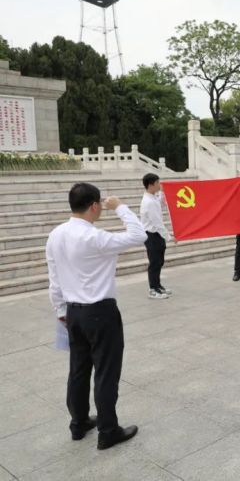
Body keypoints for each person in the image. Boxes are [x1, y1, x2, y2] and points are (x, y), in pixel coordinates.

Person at [45, 183, 146, 450]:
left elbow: (54, 279)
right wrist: (120, 207)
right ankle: (108, 431)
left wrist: (60, 311)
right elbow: (139, 235)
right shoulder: (95, 238)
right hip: (100, 312)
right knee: (106, 372)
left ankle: (78, 423)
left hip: (73, 312)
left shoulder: (56, 235)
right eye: (100, 204)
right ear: (93, 206)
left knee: (78, 370)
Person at [140, 173, 171, 299]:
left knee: (159, 261)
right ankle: (153, 289)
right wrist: (169, 237)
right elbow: (157, 223)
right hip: (152, 235)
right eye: (157, 183)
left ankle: (158, 285)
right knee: (154, 262)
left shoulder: (152, 198)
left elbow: (161, 204)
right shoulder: (149, 202)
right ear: (150, 185)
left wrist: (162, 193)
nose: (159, 184)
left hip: (157, 235)